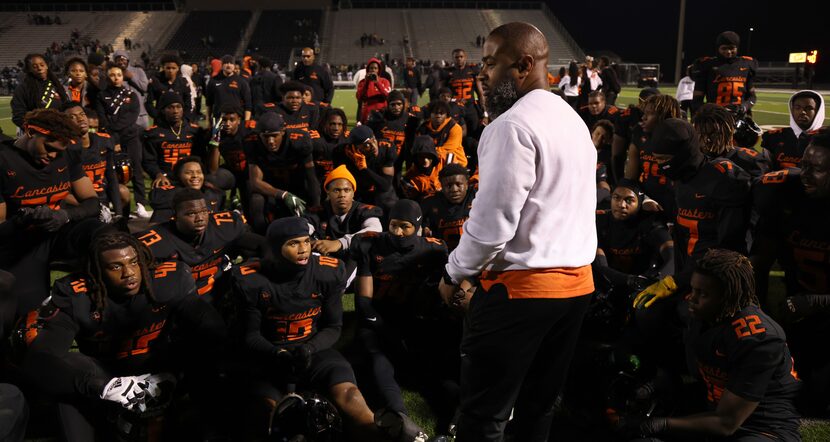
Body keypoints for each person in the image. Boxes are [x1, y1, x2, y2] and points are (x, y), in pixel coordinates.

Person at [438, 23, 597, 441]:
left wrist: (453, 273)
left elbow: (491, 228)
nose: (483, 75)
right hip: (576, 287)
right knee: (536, 410)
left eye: (491, 63)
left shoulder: (511, 125)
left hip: (521, 290)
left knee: (484, 416)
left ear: (523, 65)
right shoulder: (573, 120)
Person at [20, 231, 227, 441]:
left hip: (162, 369)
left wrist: (174, 373)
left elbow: (209, 325)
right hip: (108, 376)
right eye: (116, 266)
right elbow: (39, 359)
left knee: (212, 357)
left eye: (134, 262)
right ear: (98, 271)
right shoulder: (76, 295)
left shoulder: (169, 279)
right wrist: (103, 386)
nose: (129, 273)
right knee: (70, 370)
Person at [232, 217, 417, 441]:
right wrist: (276, 353)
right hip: (268, 356)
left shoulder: (326, 273)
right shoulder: (252, 280)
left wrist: (309, 349)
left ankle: (385, 434)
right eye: (293, 244)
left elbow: (333, 326)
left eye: (306, 242)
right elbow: (250, 335)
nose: (303, 249)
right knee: (270, 415)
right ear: (275, 247)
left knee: (350, 396)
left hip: (313, 350)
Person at [636, 249, 801, 442]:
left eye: (703, 293)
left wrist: (662, 424)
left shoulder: (758, 339)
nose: (692, 298)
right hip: (714, 411)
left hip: (761, 427)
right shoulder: (705, 316)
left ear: (727, 297)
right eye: (693, 289)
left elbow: (727, 423)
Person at [632, 118, 750, 317]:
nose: (660, 166)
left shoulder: (724, 179)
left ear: (682, 153)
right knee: (646, 310)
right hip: (688, 273)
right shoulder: (683, 178)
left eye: (663, 160)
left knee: (683, 317)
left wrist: (679, 280)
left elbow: (729, 249)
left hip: (716, 280)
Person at [350, 201, 448, 439]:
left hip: (415, 318)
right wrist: (386, 331)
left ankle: (456, 416)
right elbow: (364, 302)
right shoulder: (370, 244)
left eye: (405, 227)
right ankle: (400, 415)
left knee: (430, 366)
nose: (398, 232)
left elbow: (439, 294)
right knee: (377, 356)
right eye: (393, 225)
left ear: (418, 227)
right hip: (379, 317)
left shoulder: (434, 249)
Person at [751, 130, 830, 415]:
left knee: (818, 396)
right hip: (796, 314)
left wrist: (817, 302)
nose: (804, 174)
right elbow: (761, 259)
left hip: (815, 309)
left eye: (817, 169)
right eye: (804, 164)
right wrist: (758, 313)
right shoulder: (788, 192)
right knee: (774, 387)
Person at [0, 109, 103, 316]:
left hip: (58, 231)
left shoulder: (66, 155)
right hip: (19, 242)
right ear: (29, 132)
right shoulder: (3, 160)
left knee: (106, 236)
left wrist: (65, 215)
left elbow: (92, 203)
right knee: (29, 313)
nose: (53, 155)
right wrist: (24, 219)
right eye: (48, 147)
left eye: (58, 150)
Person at [136, 188, 263, 304]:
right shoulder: (153, 243)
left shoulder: (225, 226)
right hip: (181, 303)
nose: (200, 218)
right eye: (191, 214)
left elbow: (262, 245)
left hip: (222, 292)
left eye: (204, 211)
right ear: (174, 215)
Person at [246, 111, 320, 232]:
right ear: (259, 135)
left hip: (296, 184)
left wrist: (316, 204)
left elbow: (310, 176)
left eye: (274, 136)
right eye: (265, 136)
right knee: (256, 200)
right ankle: (262, 235)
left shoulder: (300, 141)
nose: (270, 141)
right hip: (271, 188)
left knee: (311, 202)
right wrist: (284, 195)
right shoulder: (251, 141)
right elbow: (255, 183)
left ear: (283, 132)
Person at [96, 63, 151, 218]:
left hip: (130, 136)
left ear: (123, 76)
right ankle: (112, 204)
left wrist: (113, 127)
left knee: (136, 167)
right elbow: (102, 118)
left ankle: (140, 204)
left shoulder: (131, 95)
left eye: (119, 75)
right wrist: (113, 136)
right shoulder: (101, 96)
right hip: (111, 138)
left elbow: (131, 118)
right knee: (111, 171)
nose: (116, 78)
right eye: (112, 75)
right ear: (107, 77)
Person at [305, 165, 383, 273]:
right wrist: (313, 243)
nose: (342, 195)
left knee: (359, 250)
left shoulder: (364, 210)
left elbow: (375, 229)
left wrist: (340, 243)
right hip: (325, 258)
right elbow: (301, 230)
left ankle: (339, 286)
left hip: (354, 262)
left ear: (353, 192)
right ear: (328, 191)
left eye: (347, 190)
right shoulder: (318, 211)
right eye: (337, 190)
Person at [624, 94, 682, 219]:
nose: (643, 118)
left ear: (664, 117)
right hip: (645, 199)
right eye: (644, 113)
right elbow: (630, 179)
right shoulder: (639, 133)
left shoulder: (683, 140)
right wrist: (643, 198)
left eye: (649, 114)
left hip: (675, 204)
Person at [63, 102, 123, 220]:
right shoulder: (66, 148)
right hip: (80, 200)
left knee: (124, 192)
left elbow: (111, 177)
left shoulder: (104, 141)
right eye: (73, 117)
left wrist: (119, 213)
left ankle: (122, 220)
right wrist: (88, 207)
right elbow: (63, 191)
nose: (80, 119)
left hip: (102, 195)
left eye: (82, 114)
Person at [693, 103, 771, 179]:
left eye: (713, 134)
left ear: (729, 132)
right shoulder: (692, 157)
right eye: (702, 133)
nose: (708, 139)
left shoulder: (750, 161)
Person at [333, 125, 397, 213]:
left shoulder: (387, 147)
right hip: (357, 190)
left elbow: (385, 185)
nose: (374, 146)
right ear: (356, 148)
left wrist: (363, 169)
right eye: (367, 145)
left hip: (379, 190)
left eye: (374, 140)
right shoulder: (342, 153)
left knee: (389, 203)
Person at [690, 31, 758, 114]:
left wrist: (744, 107)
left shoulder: (746, 64)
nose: (728, 51)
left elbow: (752, 97)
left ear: (737, 47)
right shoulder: (707, 65)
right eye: (724, 48)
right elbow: (697, 101)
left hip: (740, 117)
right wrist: (712, 112)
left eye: (731, 48)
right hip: (716, 119)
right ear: (718, 48)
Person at [147, 156, 229, 224]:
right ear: (178, 176)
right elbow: (156, 200)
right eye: (189, 173)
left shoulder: (214, 193)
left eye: (199, 172)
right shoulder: (169, 194)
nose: (195, 176)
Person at [761, 90, 825, 170]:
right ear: (792, 110)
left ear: (818, 112)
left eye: (809, 108)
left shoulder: (826, 138)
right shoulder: (773, 137)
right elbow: (764, 170)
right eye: (797, 108)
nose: (802, 112)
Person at [420, 163, 476, 252]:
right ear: (441, 186)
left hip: (476, 254)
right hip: (444, 256)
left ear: (466, 184)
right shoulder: (431, 202)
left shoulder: (477, 196)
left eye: (458, 184)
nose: (454, 189)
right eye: (448, 186)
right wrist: (424, 227)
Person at [11, 53, 69, 130]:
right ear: (29, 70)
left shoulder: (56, 84)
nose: (39, 68)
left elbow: (66, 107)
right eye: (35, 67)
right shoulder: (23, 88)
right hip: (37, 133)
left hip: (60, 130)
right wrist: (34, 130)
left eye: (42, 65)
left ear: (47, 66)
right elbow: (18, 116)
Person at [416, 100, 467, 169]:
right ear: (430, 114)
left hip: (455, 160)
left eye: (441, 113)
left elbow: (449, 149)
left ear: (447, 115)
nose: (438, 116)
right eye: (435, 113)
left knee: (447, 156)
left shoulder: (454, 128)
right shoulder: (423, 127)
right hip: (432, 158)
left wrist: (429, 152)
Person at [145, 54, 192, 122]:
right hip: (161, 121)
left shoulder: (183, 82)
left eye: (173, 68)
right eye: (168, 68)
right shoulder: (155, 81)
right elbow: (148, 103)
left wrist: (185, 118)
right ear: (163, 67)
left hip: (179, 121)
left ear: (178, 68)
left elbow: (188, 103)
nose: (170, 71)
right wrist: (157, 116)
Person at [310, 108, 348, 191]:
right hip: (316, 185)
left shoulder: (347, 141)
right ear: (324, 124)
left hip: (340, 185)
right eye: (332, 124)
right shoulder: (315, 141)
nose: (336, 128)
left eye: (339, 124)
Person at [206, 55, 252, 123]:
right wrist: (208, 120)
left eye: (231, 63)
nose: (229, 65)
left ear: (234, 65)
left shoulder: (242, 82)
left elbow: (248, 104)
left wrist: (246, 121)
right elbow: (209, 103)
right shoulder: (213, 81)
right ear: (222, 65)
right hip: (218, 119)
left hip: (236, 119)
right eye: (226, 63)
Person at [112, 50, 150, 128]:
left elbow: (146, 88)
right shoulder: (113, 75)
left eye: (123, 59)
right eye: (118, 60)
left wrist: (132, 77)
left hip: (141, 114)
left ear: (127, 60)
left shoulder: (138, 71)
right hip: (124, 116)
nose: (121, 62)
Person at [356, 58, 392, 124]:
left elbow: (387, 96)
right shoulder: (362, 82)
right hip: (367, 116)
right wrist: (366, 83)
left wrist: (377, 83)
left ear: (379, 70)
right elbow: (359, 97)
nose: (373, 70)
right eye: (371, 68)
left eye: (375, 68)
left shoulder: (385, 81)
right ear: (368, 69)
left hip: (382, 115)